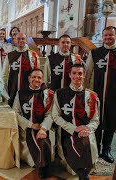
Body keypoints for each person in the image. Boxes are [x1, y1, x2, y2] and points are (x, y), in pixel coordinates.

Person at [52, 64, 99, 180]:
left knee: (84, 143)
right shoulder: (59, 93)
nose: (77, 76)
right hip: (67, 131)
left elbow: (95, 120)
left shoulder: (92, 96)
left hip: (85, 131)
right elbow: (55, 116)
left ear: (84, 76)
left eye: (80, 73)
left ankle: (84, 172)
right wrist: (73, 128)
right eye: (74, 73)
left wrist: (87, 129)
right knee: (71, 145)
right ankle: (81, 172)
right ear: (69, 75)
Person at [12, 69, 54, 179]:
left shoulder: (47, 94)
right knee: (35, 141)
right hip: (26, 127)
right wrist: (30, 124)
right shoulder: (20, 93)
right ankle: (40, 166)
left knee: (43, 141)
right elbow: (15, 113)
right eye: (34, 77)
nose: (36, 79)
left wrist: (43, 128)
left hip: (41, 127)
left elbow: (50, 115)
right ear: (29, 78)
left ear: (42, 80)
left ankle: (42, 167)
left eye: (39, 78)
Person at [85, 26, 116, 163]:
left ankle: (106, 149)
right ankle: (95, 147)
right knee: (95, 121)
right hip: (96, 93)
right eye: (106, 35)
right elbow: (87, 73)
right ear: (102, 37)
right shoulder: (95, 53)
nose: (108, 37)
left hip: (113, 95)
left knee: (111, 121)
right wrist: (86, 93)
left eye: (111, 35)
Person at [3, 32, 40, 107]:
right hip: (12, 88)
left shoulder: (33, 55)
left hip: (28, 89)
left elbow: (37, 74)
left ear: (26, 40)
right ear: (14, 40)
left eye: (23, 38)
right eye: (18, 39)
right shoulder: (10, 55)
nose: (21, 40)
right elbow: (4, 74)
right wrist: (4, 90)